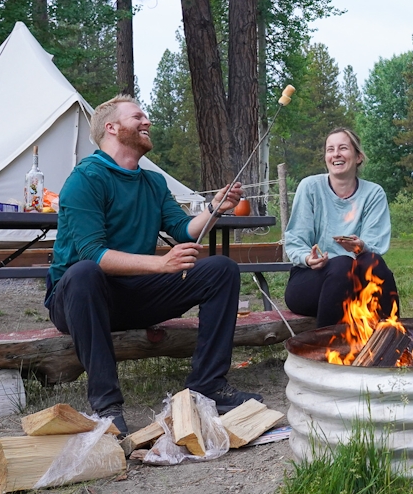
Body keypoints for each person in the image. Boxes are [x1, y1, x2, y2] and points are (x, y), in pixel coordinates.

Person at [46, 95, 261, 435]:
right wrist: (161, 265)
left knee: (221, 269)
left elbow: (182, 229)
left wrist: (214, 208)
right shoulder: (85, 179)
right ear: (111, 128)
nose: (146, 122)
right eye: (138, 117)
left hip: (134, 295)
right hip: (80, 301)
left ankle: (208, 385)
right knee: (84, 273)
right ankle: (106, 405)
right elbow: (92, 253)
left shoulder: (153, 182)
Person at [283, 128, 398, 327]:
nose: (335, 154)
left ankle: (391, 342)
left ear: (358, 157)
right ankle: (328, 349)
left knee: (374, 263)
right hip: (310, 280)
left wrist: (361, 246)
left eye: (343, 148)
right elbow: (296, 240)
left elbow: (375, 245)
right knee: (342, 264)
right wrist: (308, 258)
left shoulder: (373, 193)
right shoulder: (310, 187)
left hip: (358, 281)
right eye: (330, 149)